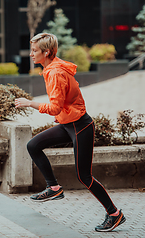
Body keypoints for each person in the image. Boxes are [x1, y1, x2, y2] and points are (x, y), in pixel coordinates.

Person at [15, 33, 126, 232]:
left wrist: (30, 103)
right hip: (69, 125)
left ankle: (114, 214)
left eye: (34, 51)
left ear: (46, 52)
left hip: (80, 126)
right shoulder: (52, 68)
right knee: (33, 145)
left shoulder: (56, 73)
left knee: (84, 176)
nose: (31, 54)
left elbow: (55, 108)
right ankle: (54, 188)